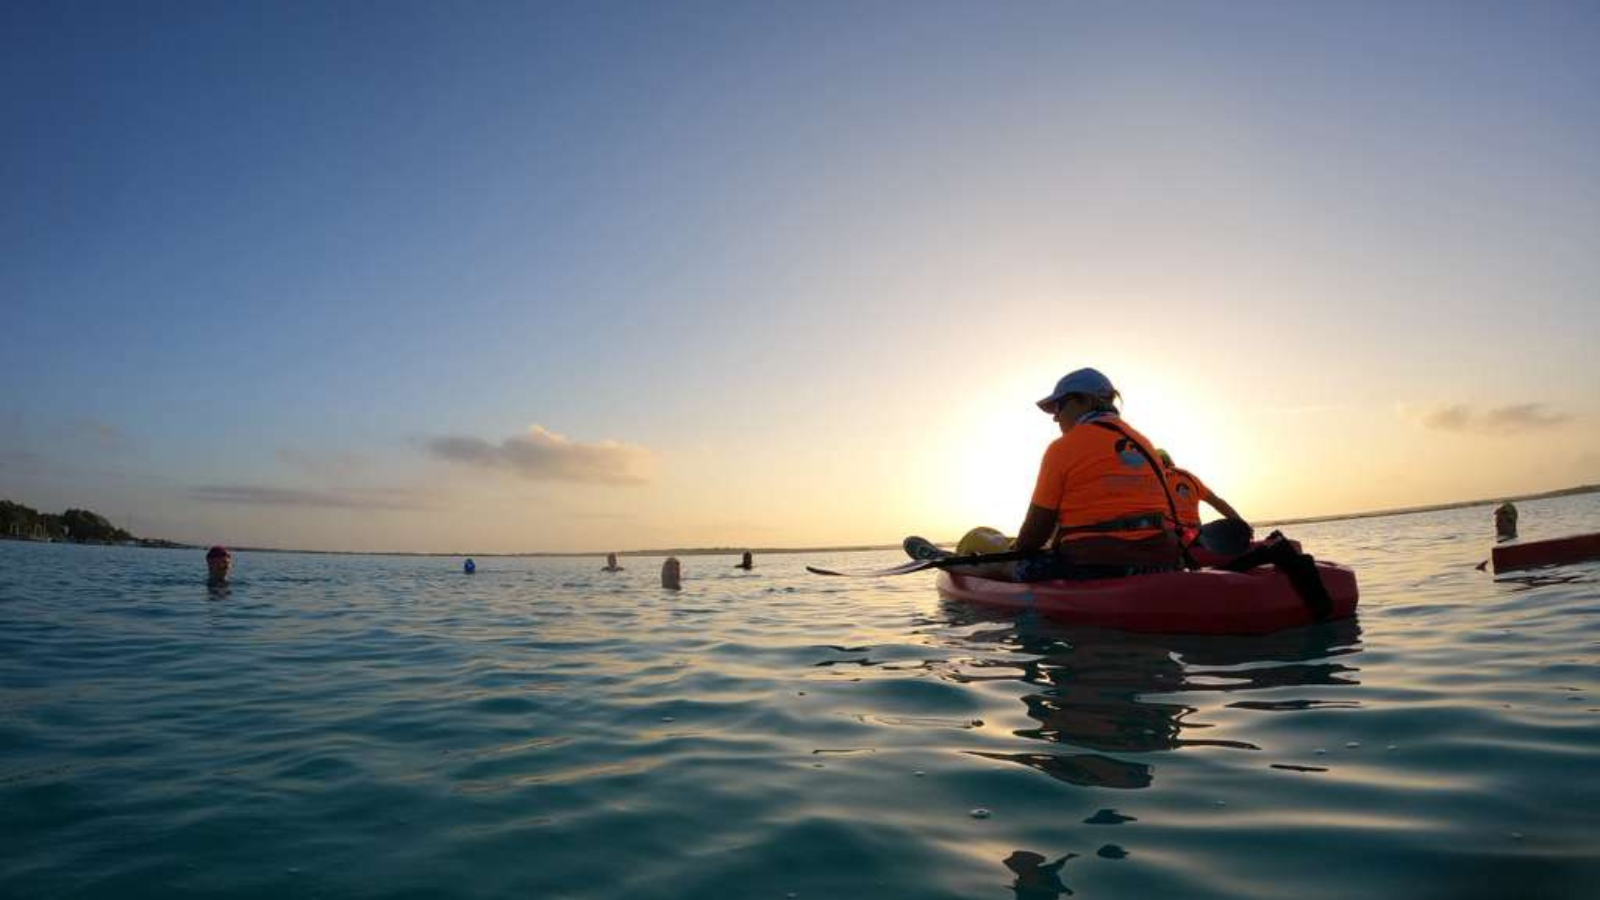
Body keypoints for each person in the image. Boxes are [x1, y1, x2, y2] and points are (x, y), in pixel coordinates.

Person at [967, 367, 1182, 582]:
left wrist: (1012, 553)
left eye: (1059, 407)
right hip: (1162, 563)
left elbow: (1035, 534)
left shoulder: (1063, 448)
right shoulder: (1145, 444)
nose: (1055, 418)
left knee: (1003, 567)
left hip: (1094, 566)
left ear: (1085, 401)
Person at [1156, 448, 1252, 553]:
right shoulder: (1188, 477)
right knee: (1232, 528)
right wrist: (1242, 524)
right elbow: (1218, 502)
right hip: (1197, 533)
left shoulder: (1152, 479)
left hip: (1176, 538)